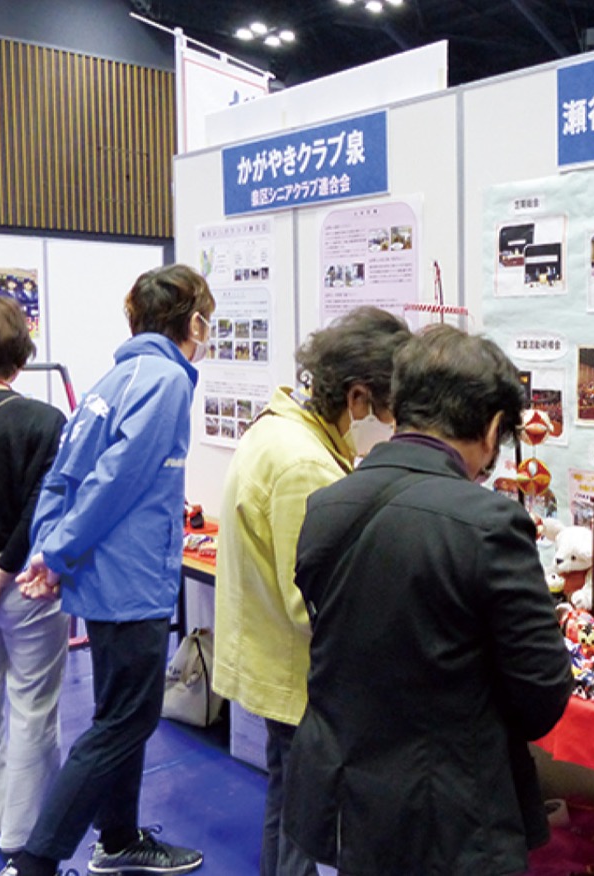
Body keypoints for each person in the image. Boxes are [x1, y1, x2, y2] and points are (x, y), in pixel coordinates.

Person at [284, 325, 574, 876]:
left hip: (345, 797)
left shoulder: (326, 504)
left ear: (400, 408)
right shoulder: (489, 523)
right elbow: (542, 695)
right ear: (493, 428)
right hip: (449, 813)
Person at [5, 264, 215, 876]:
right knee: (126, 720)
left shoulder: (115, 378)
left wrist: (50, 549)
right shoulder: (165, 380)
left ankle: (118, 837)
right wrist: (55, 554)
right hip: (131, 582)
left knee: (118, 714)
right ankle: (35, 861)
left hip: (107, 579)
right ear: (194, 322)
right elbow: (113, 482)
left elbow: (64, 476)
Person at [212, 306, 411, 876]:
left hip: (273, 655)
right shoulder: (304, 465)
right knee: (307, 827)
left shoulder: (281, 428)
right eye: (387, 411)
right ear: (356, 396)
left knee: (285, 806)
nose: (389, 426)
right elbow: (313, 601)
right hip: (296, 673)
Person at [0, 299, 68, 859]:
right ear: (21, 358)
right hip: (26, 584)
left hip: (17, 580)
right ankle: (20, 838)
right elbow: (42, 508)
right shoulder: (46, 422)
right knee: (32, 705)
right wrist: (2, 570)